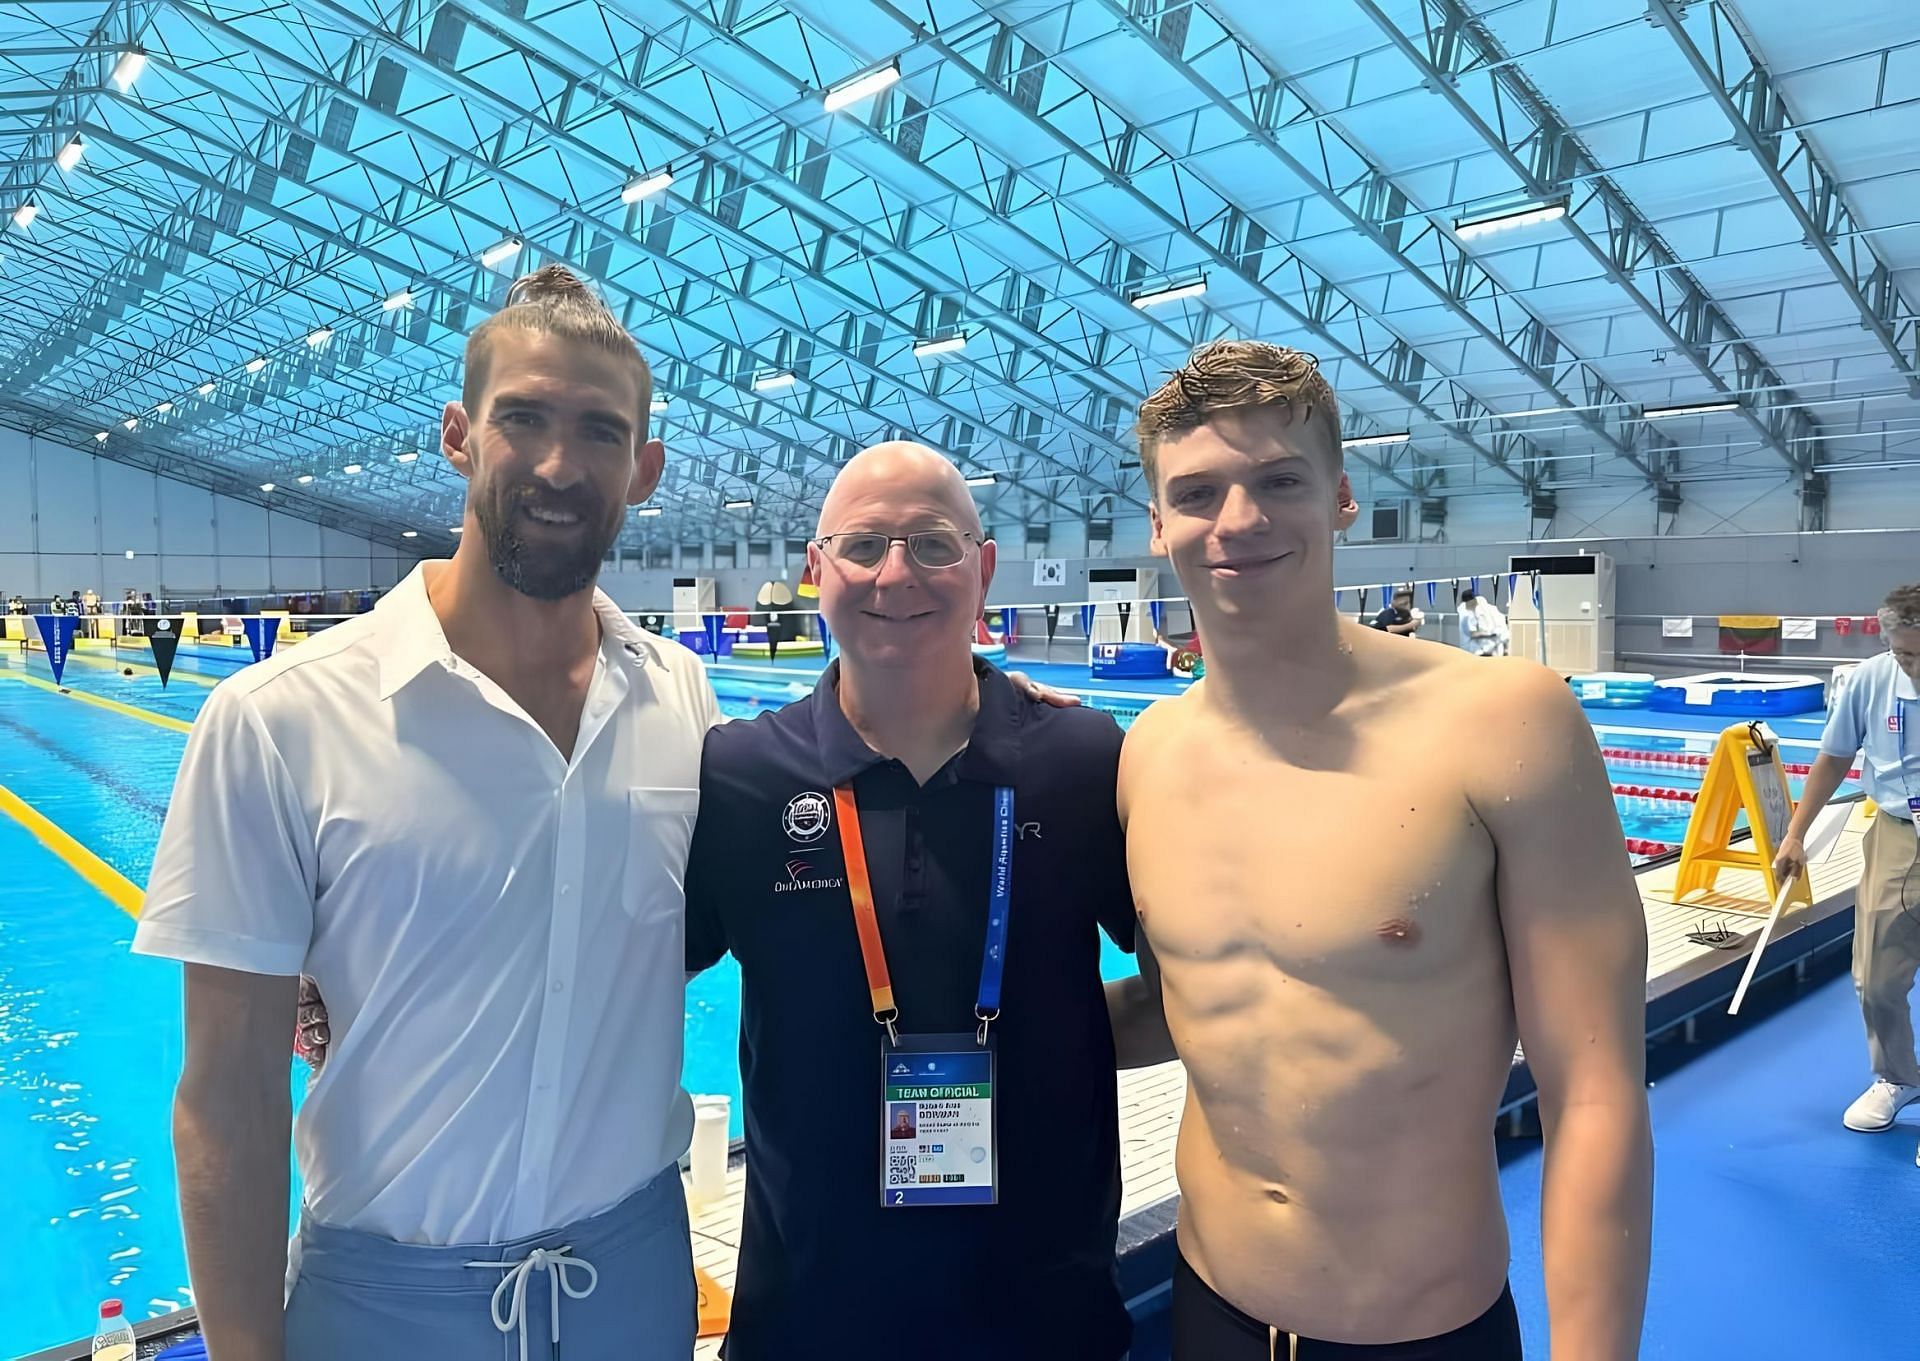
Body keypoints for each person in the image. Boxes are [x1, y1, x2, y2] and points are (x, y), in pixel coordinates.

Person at [132, 265, 714, 1361]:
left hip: (634, 1288)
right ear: (457, 433)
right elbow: (227, 1091)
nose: (555, 462)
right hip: (382, 1308)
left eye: (598, 430)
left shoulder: (682, 695)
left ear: (643, 469)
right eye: (522, 419)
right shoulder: (279, 716)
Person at [1108, 339, 1652, 1359]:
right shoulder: (1148, 753)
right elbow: (1199, 1001)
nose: (1239, 520)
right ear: (1157, 521)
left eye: (1279, 480)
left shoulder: (1505, 724)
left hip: (1419, 1332)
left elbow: (1595, 1089)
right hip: (1208, 1311)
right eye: (1199, 491)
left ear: (1343, 496)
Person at [684, 441, 1138, 1360]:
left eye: (934, 544)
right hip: (808, 1326)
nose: (897, 573)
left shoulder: (1085, 762)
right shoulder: (738, 776)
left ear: (985, 571)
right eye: (863, 545)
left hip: (1047, 1325)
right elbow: (609, 974)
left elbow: (1214, 982)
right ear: (815, 569)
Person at [1774, 582, 1920, 1149]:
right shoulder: (1869, 680)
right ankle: (1898, 1077)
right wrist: (1794, 833)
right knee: (1875, 980)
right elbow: (1834, 756)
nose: (1911, 666)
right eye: (1903, 654)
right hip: (1894, 835)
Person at [1457, 589, 1508, 657]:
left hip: (1493, 647)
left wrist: (1489, 634)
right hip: (1476, 652)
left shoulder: (1490, 610)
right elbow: (1468, 633)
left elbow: (1501, 630)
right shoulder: (1464, 613)